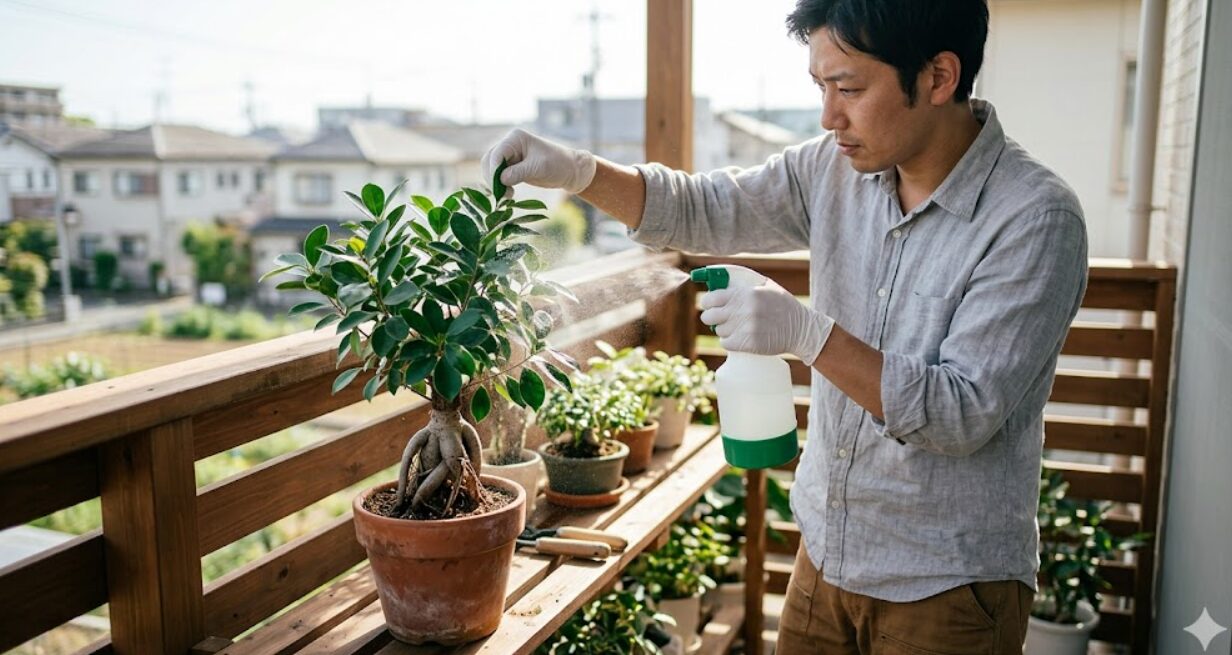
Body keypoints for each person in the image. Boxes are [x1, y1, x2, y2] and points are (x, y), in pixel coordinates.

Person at [482, 0, 1087, 652]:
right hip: (825, 558)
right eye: (820, 86)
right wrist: (575, 170)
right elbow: (701, 208)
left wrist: (806, 334)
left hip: (949, 589)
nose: (829, 116)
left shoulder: (1034, 218)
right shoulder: (833, 167)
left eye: (849, 88)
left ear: (939, 77)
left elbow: (960, 412)